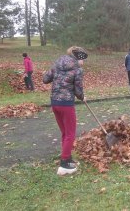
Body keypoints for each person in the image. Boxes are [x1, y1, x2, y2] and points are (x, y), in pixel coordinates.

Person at [43, 46, 88, 176]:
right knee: (70, 134)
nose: (83, 62)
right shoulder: (78, 69)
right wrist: (82, 97)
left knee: (65, 133)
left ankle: (67, 158)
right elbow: (78, 89)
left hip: (55, 103)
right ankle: (64, 165)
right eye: (83, 59)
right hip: (66, 104)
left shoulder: (57, 63)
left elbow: (45, 79)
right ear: (78, 57)